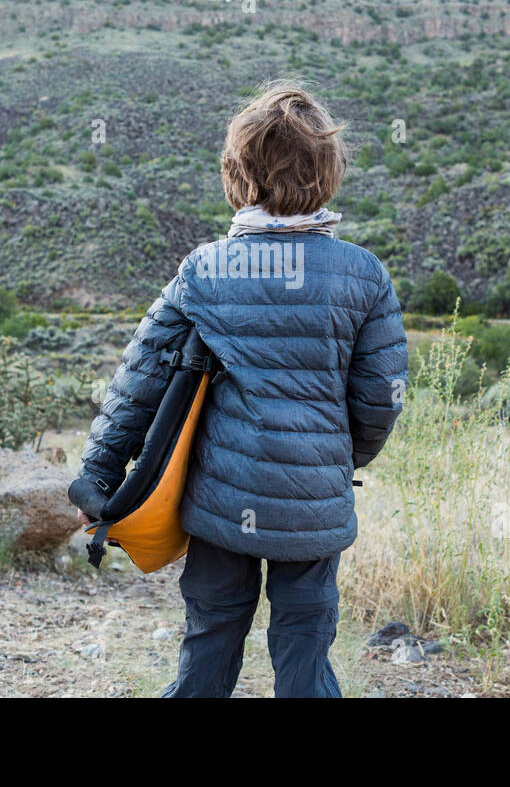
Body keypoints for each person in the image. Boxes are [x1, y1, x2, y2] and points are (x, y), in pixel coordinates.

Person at [71, 80, 408, 697]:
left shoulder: (205, 269)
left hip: (221, 506)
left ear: (238, 173)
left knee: (212, 633)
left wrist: (97, 472)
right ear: (328, 173)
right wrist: (340, 456)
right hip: (314, 506)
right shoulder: (364, 273)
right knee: (305, 643)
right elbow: (382, 397)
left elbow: (139, 379)